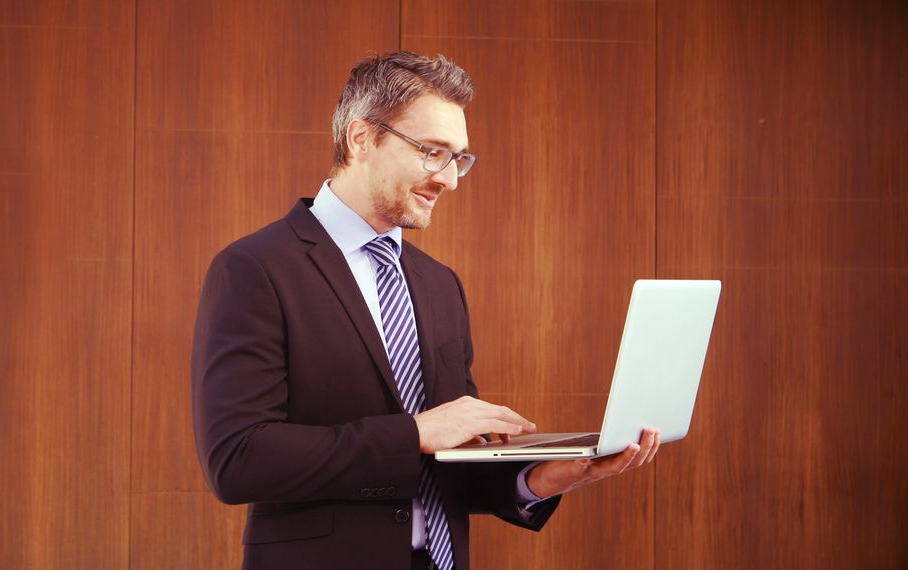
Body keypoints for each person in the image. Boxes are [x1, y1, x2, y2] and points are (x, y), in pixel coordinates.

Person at [191, 51, 661, 570]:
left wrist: (549, 477)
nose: (450, 179)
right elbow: (237, 461)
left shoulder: (439, 284)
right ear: (361, 138)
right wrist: (413, 433)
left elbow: (450, 462)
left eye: (459, 158)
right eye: (431, 152)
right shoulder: (255, 269)